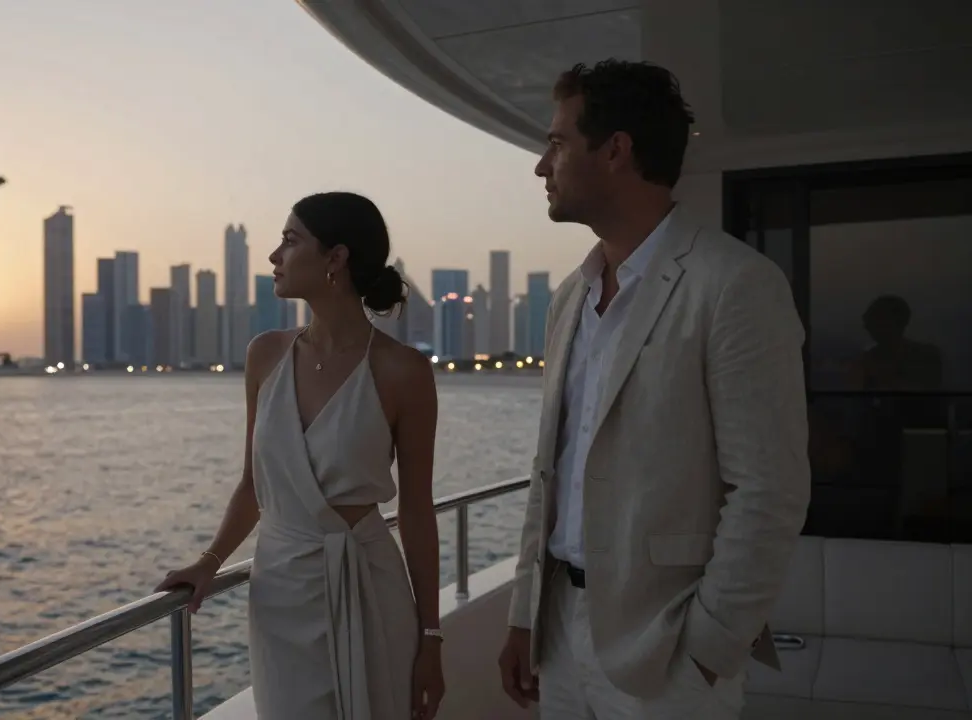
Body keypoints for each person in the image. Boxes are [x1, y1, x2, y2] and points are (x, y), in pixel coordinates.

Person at [497, 59, 810, 719]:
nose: (539, 165)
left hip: (665, 645)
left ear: (615, 150)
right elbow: (547, 472)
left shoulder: (733, 285)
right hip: (559, 630)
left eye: (556, 142)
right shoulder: (568, 299)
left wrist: (709, 645)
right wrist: (527, 616)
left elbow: (769, 488)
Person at [157, 191, 445, 720]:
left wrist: (431, 637)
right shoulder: (265, 355)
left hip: (370, 589)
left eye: (290, 241)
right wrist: (208, 562)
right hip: (280, 597)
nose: (275, 256)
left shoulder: (404, 371)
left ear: (335, 258)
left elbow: (418, 511)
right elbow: (253, 486)